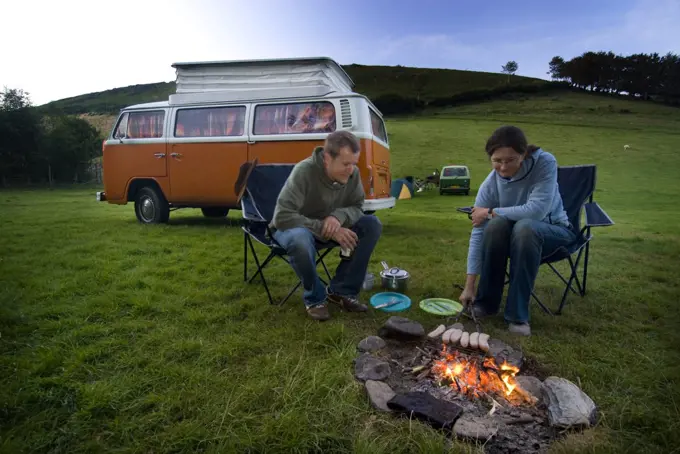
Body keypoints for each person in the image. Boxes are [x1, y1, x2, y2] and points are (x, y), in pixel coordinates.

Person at [459, 125, 576, 336]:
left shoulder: (544, 162)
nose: (503, 167)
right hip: (515, 237)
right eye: (497, 161)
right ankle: (486, 303)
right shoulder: (491, 183)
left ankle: (518, 316)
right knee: (495, 226)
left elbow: (537, 211)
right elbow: (478, 231)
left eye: (510, 160)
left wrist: (490, 211)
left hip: (554, 231)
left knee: (525, 227)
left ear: (523, 155)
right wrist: (469, 285)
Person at [271, 130, 382, 321]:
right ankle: (314, 298)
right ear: (327, 158)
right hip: (292, 228)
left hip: (328, 227)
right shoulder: (304, 171)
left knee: (371, 224)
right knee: (300, 239)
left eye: (354, 163)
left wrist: (338, 217)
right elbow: (283, 216)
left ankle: (342, 291)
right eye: (346, 164)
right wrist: (327, 228)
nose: (351, 170)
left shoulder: (352, 174)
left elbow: (357, 206)